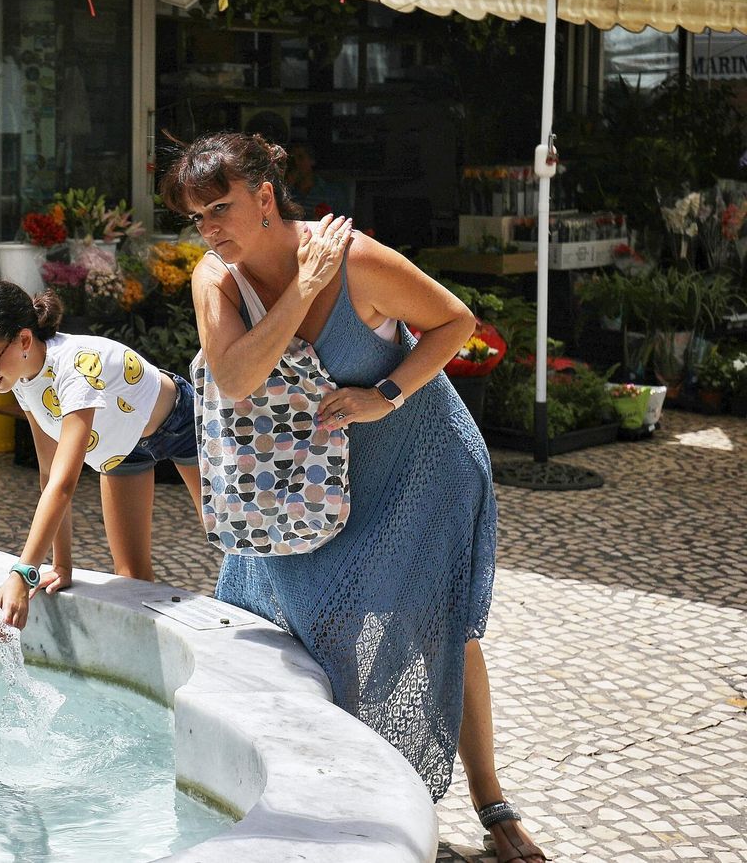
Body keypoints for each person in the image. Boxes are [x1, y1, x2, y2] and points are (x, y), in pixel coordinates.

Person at [161, 131, 545, 863]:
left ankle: (492, 804)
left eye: (222, 209)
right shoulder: (216, 277)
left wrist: (387, 395)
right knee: (293, 623)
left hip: (417, 462)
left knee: (441, 626)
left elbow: (456, 322)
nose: (210, 231)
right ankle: (325, 798)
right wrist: (300, 290)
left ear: (265, 196)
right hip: (299, 486)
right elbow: (237, 377)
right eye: (197, 219)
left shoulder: (357, 259)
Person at [0, 279, 201, 630]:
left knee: (229, 537)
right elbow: (49, 473)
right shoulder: (18, 375)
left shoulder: (76, 368)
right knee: (132, 578)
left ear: (23, 340)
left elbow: (65, 483)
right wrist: (61, 565)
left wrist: (23, 570)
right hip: (120, 450)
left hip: (178, 422)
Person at [284, 142, 352, 219]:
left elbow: (346, 221)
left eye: (301, 157)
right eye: (292, 160)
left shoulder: (332, 192)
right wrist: (288, 187)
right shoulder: (287, 193)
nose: (296, 163)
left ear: (312, 160)